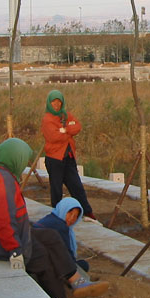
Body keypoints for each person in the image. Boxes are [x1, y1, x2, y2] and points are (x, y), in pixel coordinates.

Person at [0, 138, 108, 298]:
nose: (24, 164)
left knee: (50, 236)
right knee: (41, 254)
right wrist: (15, 250)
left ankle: (76, 280)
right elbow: (2, 221)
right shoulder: (3, 180)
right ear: (14, 158)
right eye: (23, 160)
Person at [41, 90, 95, 220]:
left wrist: (64, 130)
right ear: (49, 103)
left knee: (76, 186)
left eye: (59, 102)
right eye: (54, 102)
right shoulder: (47, 119)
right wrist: (67, 132)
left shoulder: (66, 115)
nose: (57, 104)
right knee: (56, 189)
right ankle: (57, 215)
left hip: (68, 157)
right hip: (55, 159)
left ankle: (87, 212)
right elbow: (53, 137)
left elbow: (78, 126)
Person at [34, 197, 89, 272]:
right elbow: (68, 258)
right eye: (70, 213)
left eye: (75, 216)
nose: (72, 219)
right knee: (84, 265)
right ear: (63, 210)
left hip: (34, 260)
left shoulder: (48, 219)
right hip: (47, 266)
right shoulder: (61, 226)